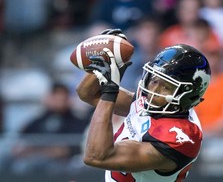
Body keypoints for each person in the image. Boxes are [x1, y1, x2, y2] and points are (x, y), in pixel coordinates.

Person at [76, 29, 211, 181]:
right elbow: (87, 93)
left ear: (186, 95)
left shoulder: (181, 137)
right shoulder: (155, 101)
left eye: (166, 87)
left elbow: (96, 156)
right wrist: (107, 58)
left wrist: (109, 92)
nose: (153, 90)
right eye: (154, 80)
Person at [6, 82, 88, 174]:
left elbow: (67, 150)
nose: (59, 101)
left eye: (63, 97)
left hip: (62, 166)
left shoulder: (77, 122)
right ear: (49, 97)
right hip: (34, 161)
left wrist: (41, 151)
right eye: (56, 96)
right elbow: (20, 143)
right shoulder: (38, 121)